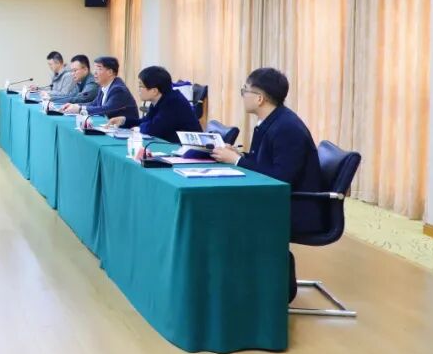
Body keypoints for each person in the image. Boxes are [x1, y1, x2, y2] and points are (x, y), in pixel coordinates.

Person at [210, 67, 324, 302]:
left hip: (297, 207)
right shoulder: (271, 121)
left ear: (260, 98)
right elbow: (265, 163)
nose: (243, 95)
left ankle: (266, 288)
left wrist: (238, 161)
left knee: (222, 213)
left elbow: (280, 177)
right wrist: (239, 156)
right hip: (276, 199)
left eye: (245, 90)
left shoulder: (287, 128)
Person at [108, 66, 201, 140]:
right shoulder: (159, 99)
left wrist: (138, 128)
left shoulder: (173, 102)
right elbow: (147, 121)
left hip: (189, 149)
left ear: (154, 91)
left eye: (141, 86)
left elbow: (154, 129)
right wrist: (124, 120)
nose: (138, 90)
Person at [63, 56, 139, 120]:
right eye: (94, 69)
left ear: (110, 72)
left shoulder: (118, 89)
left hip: (126, 130)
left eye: (99, 69)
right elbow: (93, 104)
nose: (94, 72)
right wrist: (75, 106)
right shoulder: (103, 87)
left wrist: (80, 109)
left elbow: (106, 110)